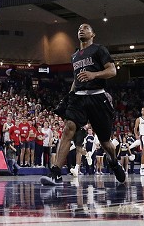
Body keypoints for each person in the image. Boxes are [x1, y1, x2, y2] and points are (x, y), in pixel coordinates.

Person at [41, 23, 126, 185]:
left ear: (93, 34)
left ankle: (114, 162)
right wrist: (69, 95)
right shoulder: (75, 56)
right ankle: (56, 172)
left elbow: (112, 71)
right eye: (79, 28)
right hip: (78, 97)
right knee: (68, 130)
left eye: (86, 28)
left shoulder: (99, 49)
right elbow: (77, 79)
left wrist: (94, 75)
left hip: (97, 96)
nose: (81, 29)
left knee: (105, 141)